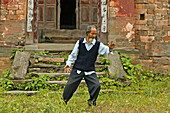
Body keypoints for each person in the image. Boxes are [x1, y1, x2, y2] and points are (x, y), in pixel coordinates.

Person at [63, 25, 115, 106]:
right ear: (87, 33)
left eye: (95, 34)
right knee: (70, 86)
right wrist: (68, 64)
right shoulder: (80, 42)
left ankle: (92, 101)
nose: (94, 36)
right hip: (78, 69)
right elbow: (73, 55)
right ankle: (64, 101)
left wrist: (110, 48)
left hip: (90, 70)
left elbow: (106, 50)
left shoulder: (98, 44)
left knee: (96, 86)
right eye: (92, 34)